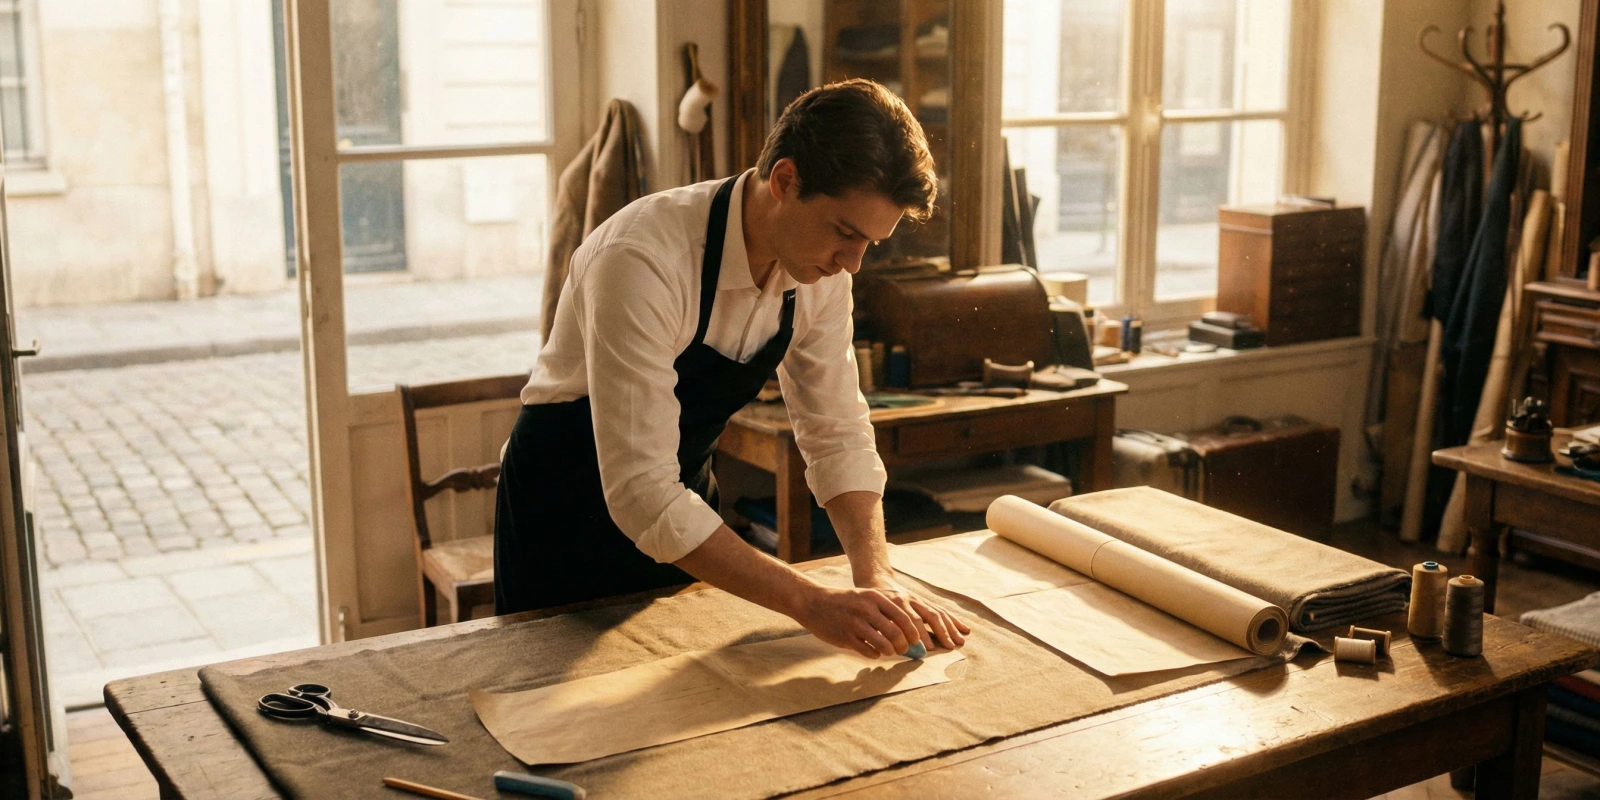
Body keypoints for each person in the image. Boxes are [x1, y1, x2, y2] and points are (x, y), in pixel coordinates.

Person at [494, 79, 968, 659]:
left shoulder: (822, 272)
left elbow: (835, 429)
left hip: (681, 505)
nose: (853, 263)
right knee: (548, 719)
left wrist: (875, 575)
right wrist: (809, 601)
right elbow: (640, 491)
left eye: (870, 243)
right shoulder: (641, 259)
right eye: (845, 233)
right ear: (785, 180)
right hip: (565, 512)